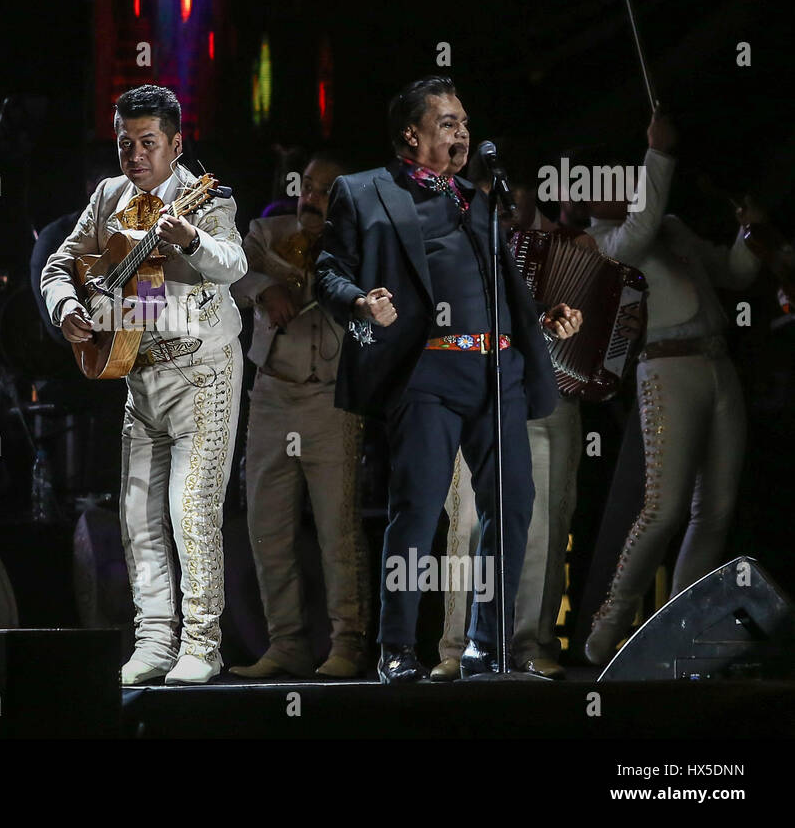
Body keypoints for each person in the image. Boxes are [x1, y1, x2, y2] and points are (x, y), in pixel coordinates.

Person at [315, 76, 579, 683]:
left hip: (497, 370)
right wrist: (360, 303)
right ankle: (397, 647)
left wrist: (539, 319)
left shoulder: (480, 200)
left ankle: (490, 646)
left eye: (464, 122)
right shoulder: (364, 192)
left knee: (514, 504)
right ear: (412, 133)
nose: (462, 132)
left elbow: (489, 287)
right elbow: (328, 269)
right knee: (419, 509)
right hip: (426, 370)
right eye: (447, 122)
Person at [41, 84, 247, 685]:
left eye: (147, 143)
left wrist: (190, 239)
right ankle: (154, 640)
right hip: (137, 373)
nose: (134, 155)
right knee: (136, 514)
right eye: (124, 143)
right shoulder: (108, 196)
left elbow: (234, 264)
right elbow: (60, 265)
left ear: (176, 144)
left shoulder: (204, 198)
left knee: (190, 510)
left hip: (202, 371)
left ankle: (202, 644)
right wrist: (66, 311)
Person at [581, 110, 760, 664]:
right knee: (663, 509)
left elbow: (735, 274)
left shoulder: (672, 225)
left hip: (716, 364)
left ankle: (682, 628)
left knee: (717, 508)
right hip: (666, 369)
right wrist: (659, 153)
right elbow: (638, 228)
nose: (625, 184)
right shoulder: (601, 242)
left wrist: (749, 232)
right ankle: (606, 629)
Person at [433, 164, 589, 680]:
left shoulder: (574, 244)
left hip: (550, 396)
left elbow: (603, 318)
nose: (501, 200)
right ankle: (457, 648)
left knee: (544, 523)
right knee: (470, 523)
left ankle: (529, 643)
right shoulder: (453, 236)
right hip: (479, 391)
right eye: (487, 192)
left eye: (512, 191)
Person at [230, 150, 373, 679]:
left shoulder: (361, 240)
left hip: (330, 400)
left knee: (338, 529)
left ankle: (348, 644)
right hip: (271, 396)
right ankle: (286, 643)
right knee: (267, 526)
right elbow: (232, 272)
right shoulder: (266, 234)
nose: (309, 198)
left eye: (323, 191)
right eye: (306, 187)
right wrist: (266, 287)